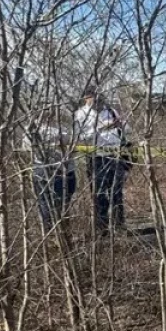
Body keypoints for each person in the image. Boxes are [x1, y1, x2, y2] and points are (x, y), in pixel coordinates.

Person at [75, 86, 129, 232]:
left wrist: (120, 124)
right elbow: (79, 138)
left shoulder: (111, 111)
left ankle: (119, 226)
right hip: (95, 158)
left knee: (116, 192)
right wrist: (100, 128)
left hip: (115, 156)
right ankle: (102, 228)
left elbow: (125, 131)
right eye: (92, 96)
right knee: (99, 193)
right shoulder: (80, 114)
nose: (96, 99)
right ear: (86, 98)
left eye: (98, 96)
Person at [24, 112, 77, 229]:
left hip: (65, 169)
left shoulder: (62, 128)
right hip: (46, 170)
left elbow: (73, 142)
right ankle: (52, 231)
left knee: (62, 201)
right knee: (50, 202)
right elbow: (27, 146)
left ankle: (61, 230)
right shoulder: (33, 131)